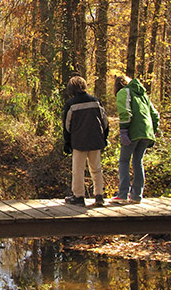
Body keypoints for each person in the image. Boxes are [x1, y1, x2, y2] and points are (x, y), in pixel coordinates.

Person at [111, 76, 159, 204]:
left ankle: (123, 194)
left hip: (133, 132)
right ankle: (137, 196)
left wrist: (123, 131)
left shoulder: (124, 92)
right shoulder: (143, 95)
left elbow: (125, 112)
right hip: (146, 133)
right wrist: (152, 130)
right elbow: (155, 115)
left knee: (124, 161)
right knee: (138, 162)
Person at [62, 76, 109, 207]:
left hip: (79, 141)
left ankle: (79, 196)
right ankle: (99, 195)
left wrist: (67, 142)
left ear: (70, 89)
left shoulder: (71, 104)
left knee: (78, 170)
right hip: (96, 140)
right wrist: (104, 138)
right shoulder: (96, 101)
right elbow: (105, 122)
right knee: (96, 169)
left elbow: (67, 126)